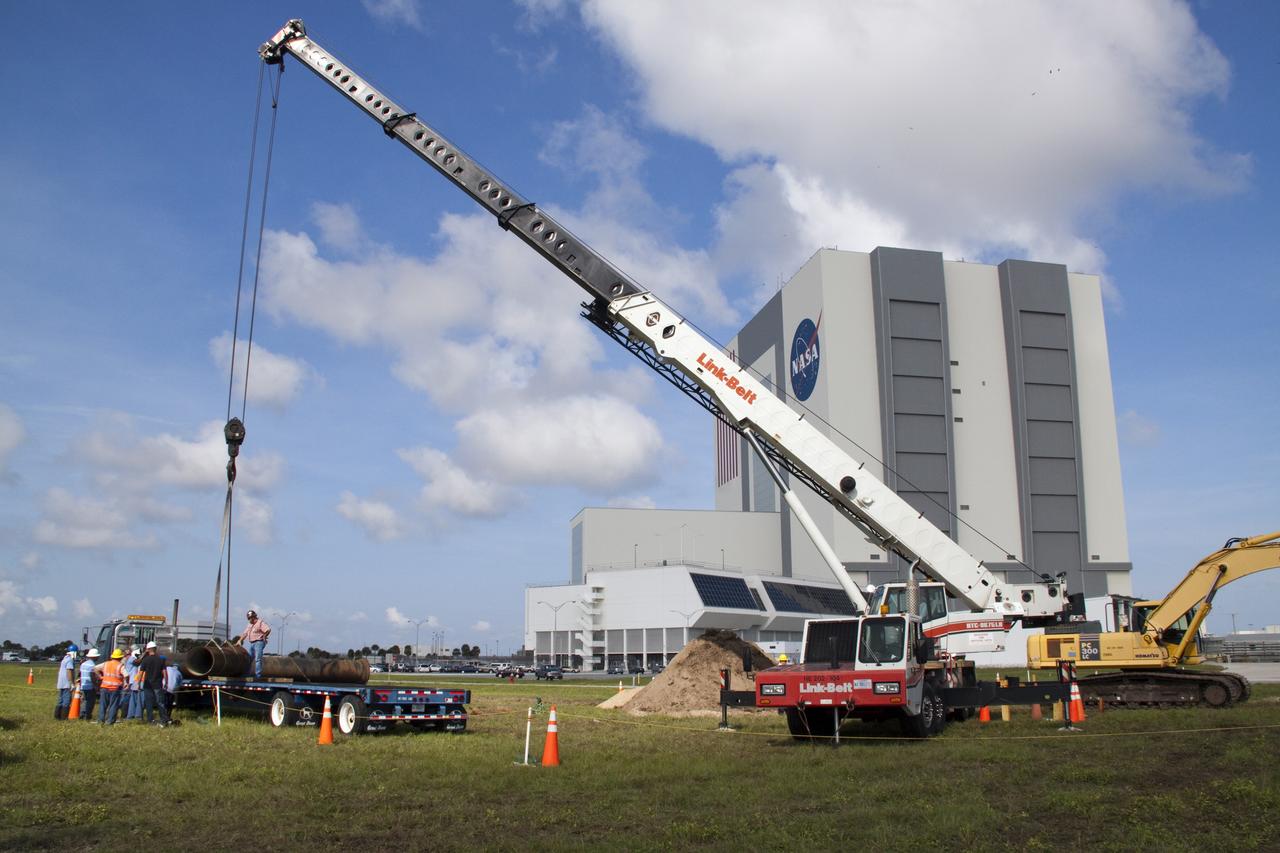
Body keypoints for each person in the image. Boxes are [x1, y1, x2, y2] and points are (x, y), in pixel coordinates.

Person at [137, 641, 170, 726]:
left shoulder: (145, 660)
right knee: (160, 702)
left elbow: (140, 673)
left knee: (149, 703)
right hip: (158, 684)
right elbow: (165, 672)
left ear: (148, 649)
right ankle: (164, 719)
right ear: (155, 649)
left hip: (147, 685)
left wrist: (138, 683)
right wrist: (166, 682)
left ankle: (150, 720)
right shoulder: (161, 659)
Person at [234, 610, 271, 679]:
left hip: (259, 642)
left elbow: (268, 629)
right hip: (252, 643)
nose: (249, 619)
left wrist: (264, 636)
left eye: (250, 618)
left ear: (254, 617)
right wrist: (240, 640)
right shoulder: (249, 625)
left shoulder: (260, 623)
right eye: (248, 618)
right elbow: (245, 633)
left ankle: (258, 676)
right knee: (249, 659)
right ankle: (246, 674)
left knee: (258, 659)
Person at [96, 648, 126, 725]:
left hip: (104, 687)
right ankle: (110, 721)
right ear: (120, 657)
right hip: (115, 688)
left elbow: (95, 668)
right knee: (113, 705)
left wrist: (100, 676)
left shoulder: (106, 664)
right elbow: (126, 675)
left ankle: (100, 720)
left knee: (103, 705)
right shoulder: (120, 666)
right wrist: (126, 683)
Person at [55, 644, 78, 720]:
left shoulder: (64, 659)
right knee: (66, 700)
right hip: (66, 683)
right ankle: (63, 717)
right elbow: (69, 671)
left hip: (61, 682)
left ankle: (57, 715)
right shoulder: (70, 660)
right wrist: (71, 683)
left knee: (60, 700)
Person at [79, 649, 100, 722]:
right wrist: (95, 685)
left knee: (84, 700)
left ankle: (82, 713)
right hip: (90, 686)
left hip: (83, 685)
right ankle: (87, 715)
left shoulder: (83, 664)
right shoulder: (92, 665)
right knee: (90, 701)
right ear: (94, 657)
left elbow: (81, 675)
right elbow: (92, 676)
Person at [122, 649, 143, 720]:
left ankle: (128, 715)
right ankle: (126, 715)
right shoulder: (132, 659)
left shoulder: (129, 660)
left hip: (132, 682)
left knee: (131, 699)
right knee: (128, 699)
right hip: (131, 682)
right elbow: (138, 662)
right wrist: (144, 655)